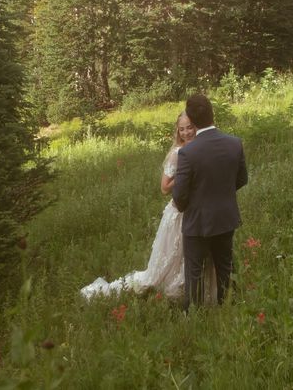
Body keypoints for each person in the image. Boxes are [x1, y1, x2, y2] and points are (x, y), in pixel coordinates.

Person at [80, 112, 216, 301]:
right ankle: (170, 290)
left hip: (200, 211)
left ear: (197, 126)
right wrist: (186, 177)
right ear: (178, 131)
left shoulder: (204, 147)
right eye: (182, 128)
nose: (186, 132)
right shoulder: (178, 153)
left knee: (193, 257)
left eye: (190, 127)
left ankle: (193, 290)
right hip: (180, 212)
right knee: (170, 260)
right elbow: (164, 187)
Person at [172, 94, 248, 310]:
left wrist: (192, 205)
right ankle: (226, 307)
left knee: (194, 271)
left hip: (197, 221)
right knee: (225, 266)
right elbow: (242, 179)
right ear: (212, 112)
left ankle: (194, 315)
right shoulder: (235, 143)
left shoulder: (188, 152)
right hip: (226, 216)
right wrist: (221, 194)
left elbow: (179, 195)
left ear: (193, 122)